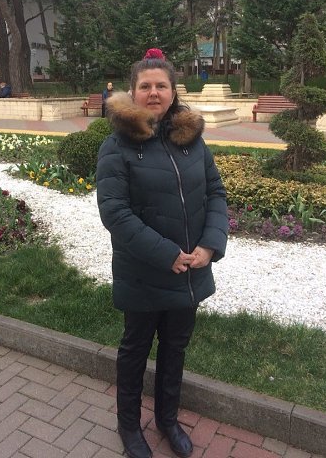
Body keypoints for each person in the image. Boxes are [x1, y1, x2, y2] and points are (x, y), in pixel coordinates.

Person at [96, 48, 228, 458]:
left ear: (173, 91)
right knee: (135, 351)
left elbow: (215, 193)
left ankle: (168, 419)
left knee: (175, 349)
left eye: (161, 86)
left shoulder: (191, 141)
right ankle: (129, 426)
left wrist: (209, 245)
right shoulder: (116, 147)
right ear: (132, 92)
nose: (153, 93)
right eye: (145, 86)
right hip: (144, 272)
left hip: (190, 272)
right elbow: (115, 213)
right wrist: (167, 254)